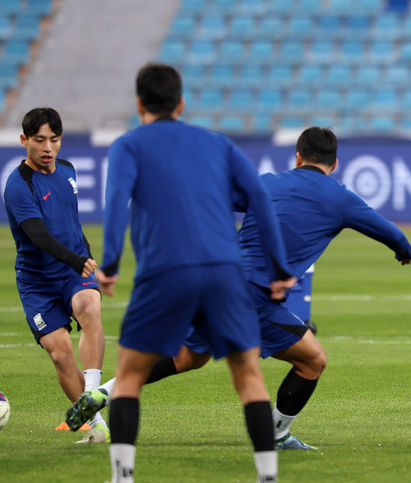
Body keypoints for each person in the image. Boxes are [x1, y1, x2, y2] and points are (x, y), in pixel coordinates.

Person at [65, 126, 411, 451]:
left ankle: (102, 393)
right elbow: (389, 232)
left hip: (215, 279)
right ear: (335, 163)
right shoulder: (341, 197)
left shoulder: (266, 183)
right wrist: (404, 252)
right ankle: (277, 434)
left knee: (189, 356)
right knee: (313, 361)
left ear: (297, 156)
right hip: (252, 295)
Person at [87, 63, 295, 483]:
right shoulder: (216, 143)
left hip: (164, 272)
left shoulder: (129, 145)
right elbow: (258, 197)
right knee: (248, 376)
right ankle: (268, 476)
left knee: (128, 375)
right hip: (224, 272)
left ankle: (122, 477)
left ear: (139, 104)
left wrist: (109, 265)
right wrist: (280, 269)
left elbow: (116, 205)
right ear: (181, 104)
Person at [2, 107, 108, 443]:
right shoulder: (19, 185)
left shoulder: (68, 171)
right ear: (24, 141)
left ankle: (92, 393)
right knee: (60, 353)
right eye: (39, 140)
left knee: (89, 307)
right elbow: (38, 235)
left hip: (73, 271)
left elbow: (72, 224)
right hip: (37, 281)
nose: (48, 147)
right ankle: (96, 423)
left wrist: (87, 260)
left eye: (54, 140)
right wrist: (78, 260)